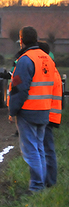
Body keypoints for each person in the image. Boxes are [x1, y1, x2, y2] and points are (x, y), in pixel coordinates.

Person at [8, 27, 55, 193]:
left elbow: (19, 88)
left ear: (21, 40)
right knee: (40, 149)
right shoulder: (47, 58)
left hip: (28, 111)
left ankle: (36, 187)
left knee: (30, 151)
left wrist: (12, 110)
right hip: (44, 111)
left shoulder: (25, 60)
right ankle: (40, 186)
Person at [37, 41, 63, 187]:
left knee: (47, 150)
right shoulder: (52, 69)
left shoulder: (48, 70)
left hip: (46, 114)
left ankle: (49, 182)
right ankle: (47, 181)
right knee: (46, 149)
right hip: (50, 114)